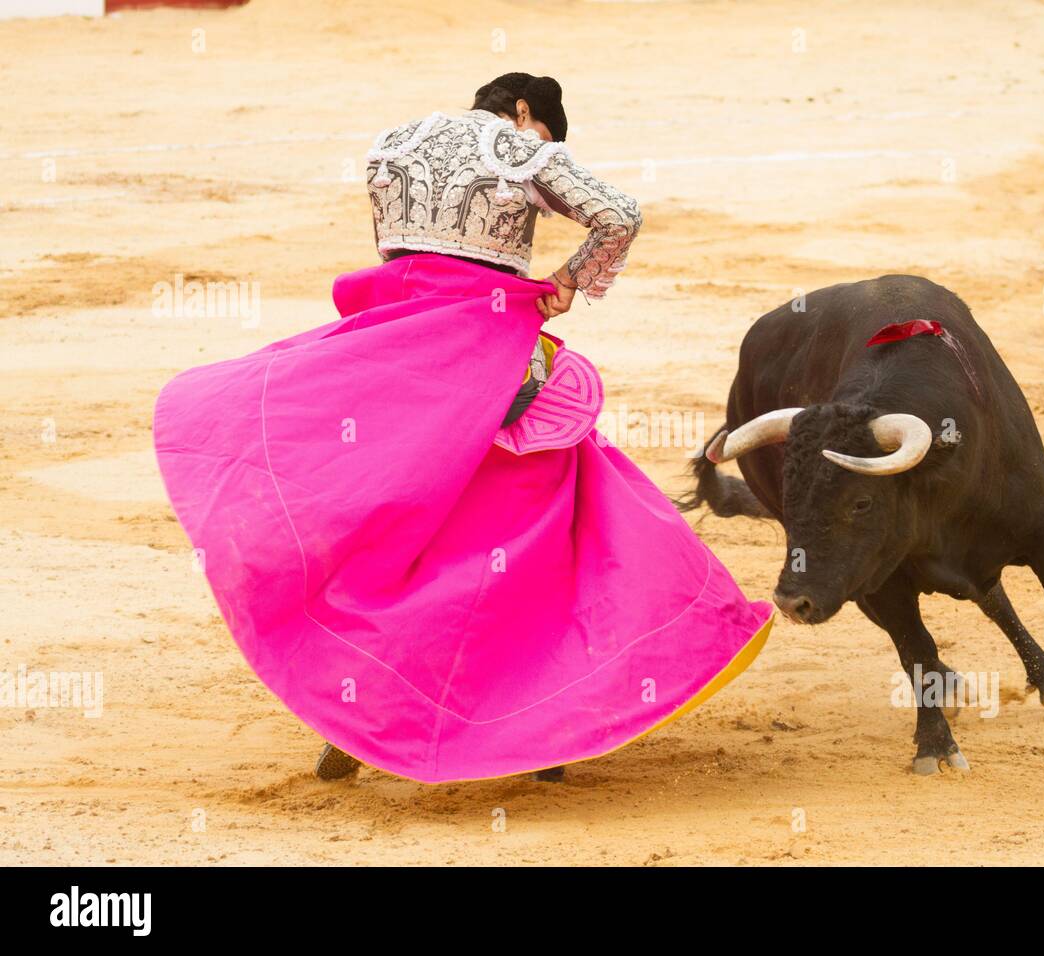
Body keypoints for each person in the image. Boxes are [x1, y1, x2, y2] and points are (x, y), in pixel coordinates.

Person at [154, 74, 773, 786]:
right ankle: (546, 719)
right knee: (539, 530)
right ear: (522, 112)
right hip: (490, 360)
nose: (540, 143)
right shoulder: (520, 148)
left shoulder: (392, 143)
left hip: (387, 354)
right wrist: (567, 281)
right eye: (544, 130)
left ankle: (355, 721)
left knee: (399, 540)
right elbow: (619, 215)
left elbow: (402, 259)